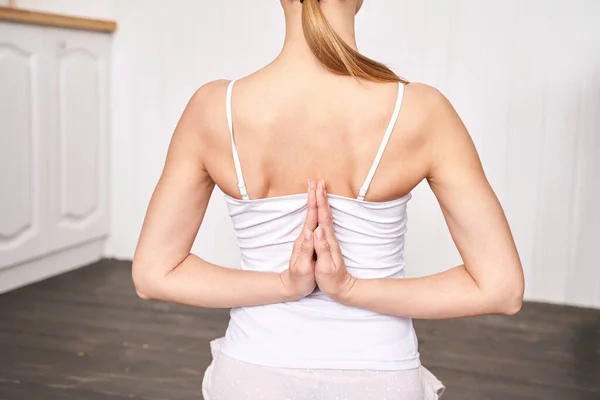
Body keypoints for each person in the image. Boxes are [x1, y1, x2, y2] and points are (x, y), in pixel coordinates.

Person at [132, 0, 525, 398]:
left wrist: (287, 285)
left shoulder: (214, 108)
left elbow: (154, 274)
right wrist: (350, 289)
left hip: (253, 375)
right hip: (380, 377)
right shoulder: (423, 111)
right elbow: (500, 289)